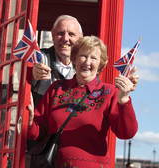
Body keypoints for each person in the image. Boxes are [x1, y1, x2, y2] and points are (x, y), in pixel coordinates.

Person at [27, 35, 138, 168]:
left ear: (100, 64)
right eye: (83, 56)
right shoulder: (57, 88)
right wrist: (29, 121)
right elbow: (37, 131)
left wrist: (124, 99)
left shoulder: (110, 92)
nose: (87, 62)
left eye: (94, 58)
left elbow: (126, 133)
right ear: (74, 59)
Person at [32, 15, 83, 107]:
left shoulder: (84, 66)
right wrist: (31, 75)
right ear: (52, 35)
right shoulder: (38, 59)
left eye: (71, 34)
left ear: (80, 37)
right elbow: (18, 81)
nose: (65, 39)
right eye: (60, 33)